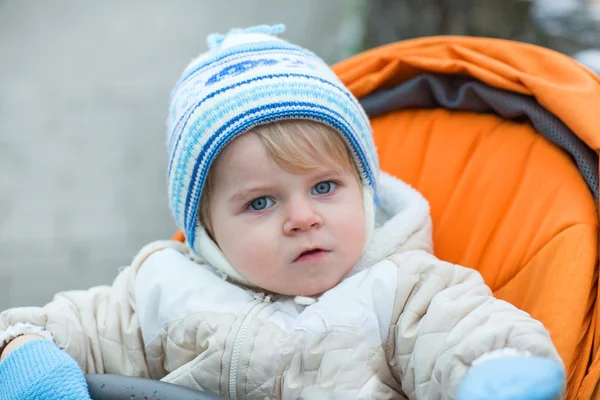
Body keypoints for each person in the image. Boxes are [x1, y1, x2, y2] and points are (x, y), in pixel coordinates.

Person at [0, 24, 566, 400]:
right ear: (207, 226)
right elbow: (37, 330)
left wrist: (497, 374)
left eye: (324, 187)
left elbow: (468, 332)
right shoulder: (159, 290)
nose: (302, 218)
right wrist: (29, 362)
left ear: (366, 190)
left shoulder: (402, 290)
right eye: (261, 202)